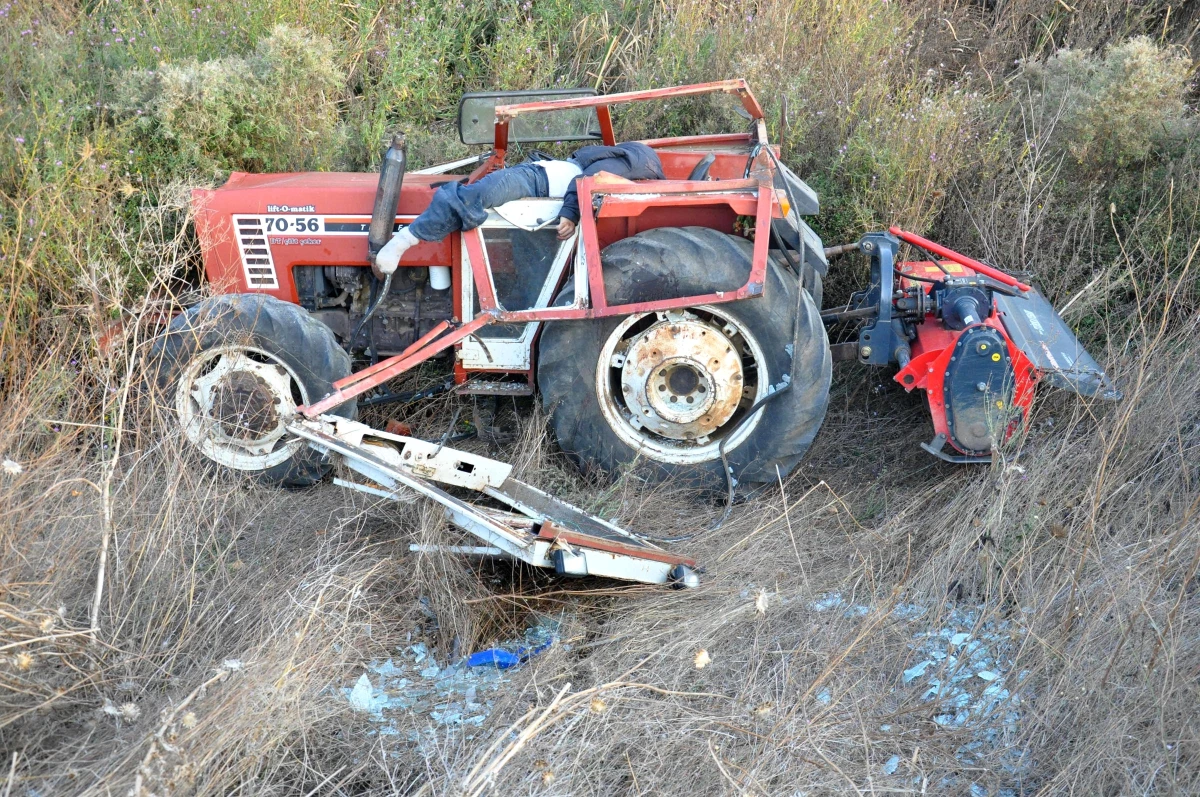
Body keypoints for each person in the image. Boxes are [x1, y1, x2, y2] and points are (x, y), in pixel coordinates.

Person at [372, 141, 665, 279]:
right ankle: (406, 239)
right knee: (471, 196)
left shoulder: (636, 165)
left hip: (537, 182)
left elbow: (586, 180)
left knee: (472, 196)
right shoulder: (633, 166)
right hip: (535, 178)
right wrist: (571, 213)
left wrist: (571, 213)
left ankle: (402, 240)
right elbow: (586, 181)